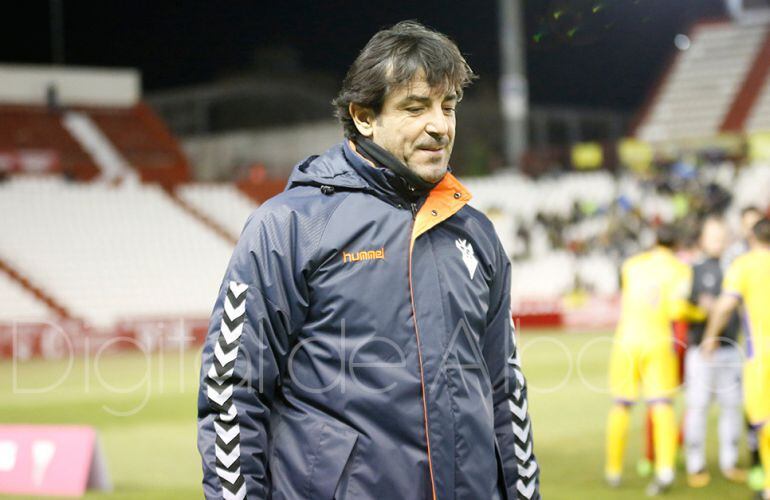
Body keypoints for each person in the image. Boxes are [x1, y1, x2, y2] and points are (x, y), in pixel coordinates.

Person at [196, 21, 540, 500]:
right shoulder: (290, 226)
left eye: (448, 106)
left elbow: (507, 392)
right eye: (415, 108)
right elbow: (231, 390)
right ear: (363, 117)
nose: (440, 126)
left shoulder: (476, 233)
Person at [605, 224, 703, 496]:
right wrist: (700, 313)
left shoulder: (632, 264)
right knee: (661, 405)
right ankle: (664, 470)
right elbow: (676, 308)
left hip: (625, 340)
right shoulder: (680, 269)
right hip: (658, 340)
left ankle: (613, 470)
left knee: (621, 404)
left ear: (654, 240)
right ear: (676, 245)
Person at [703, 217, 770, 500]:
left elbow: (725, 305)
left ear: (752, 238)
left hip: (761, 357)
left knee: (763, 422)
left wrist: (710, 335)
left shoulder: (744, 265)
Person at [683, 217, 745, 487]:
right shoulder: (695, 270)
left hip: (730, 349)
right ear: (702, 239)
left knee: (731, 407)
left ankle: (729, 462)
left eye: (721, 237)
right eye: (712, 237)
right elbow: (699, 303)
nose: (718, 242)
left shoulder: (735, 268)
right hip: (702, 352)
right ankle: (695, 464)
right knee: (698, 407)